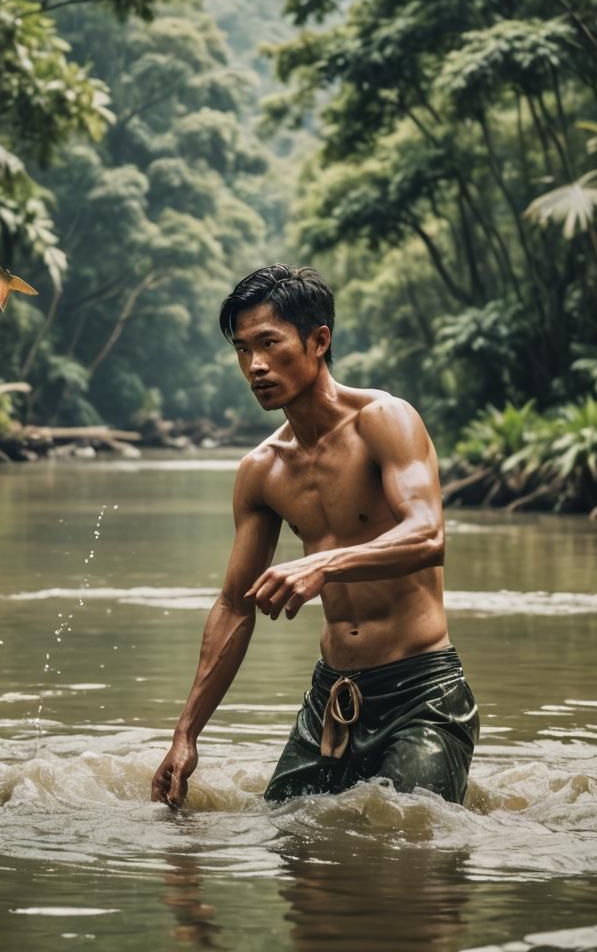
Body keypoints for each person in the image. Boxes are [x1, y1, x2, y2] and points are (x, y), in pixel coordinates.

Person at [150, 264, 478, 808]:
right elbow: (234, 605)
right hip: (332, 698)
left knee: (408, 845)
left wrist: (323, 564)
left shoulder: (385, 419)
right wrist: (186, 735)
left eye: (269, 344)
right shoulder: (262, 470)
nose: (254, 365)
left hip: (421, 693)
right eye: (242, 349)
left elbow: (428, 535)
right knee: (288, 843)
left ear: (318, 341)